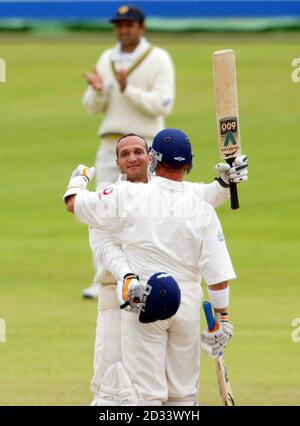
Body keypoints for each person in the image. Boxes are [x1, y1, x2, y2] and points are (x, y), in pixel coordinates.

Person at [64, 128, 244, 405]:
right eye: (125, 153)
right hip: (126, 297)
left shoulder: (127, 197)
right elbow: (105, 247)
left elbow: (74, 204)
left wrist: (224, 183)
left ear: (151, 158)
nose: (132, 158)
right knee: (121, 389)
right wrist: (223, 318)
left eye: (138, 151)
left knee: (148, 395)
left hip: (144, 299)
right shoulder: (118, 195)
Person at [81, 4, 175, 298]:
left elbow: (163, 104)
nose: (124, 30)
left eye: (130, 25)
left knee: (146, 211)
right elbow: (91, 106)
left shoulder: (158, 58)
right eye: (119, 25)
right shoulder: (106, 58)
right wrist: (99, 90)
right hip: (110, 143)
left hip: (145, 145)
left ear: (141, 27)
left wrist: (127, 90)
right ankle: (106, 279)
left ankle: (147, 273)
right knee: (103, 212)